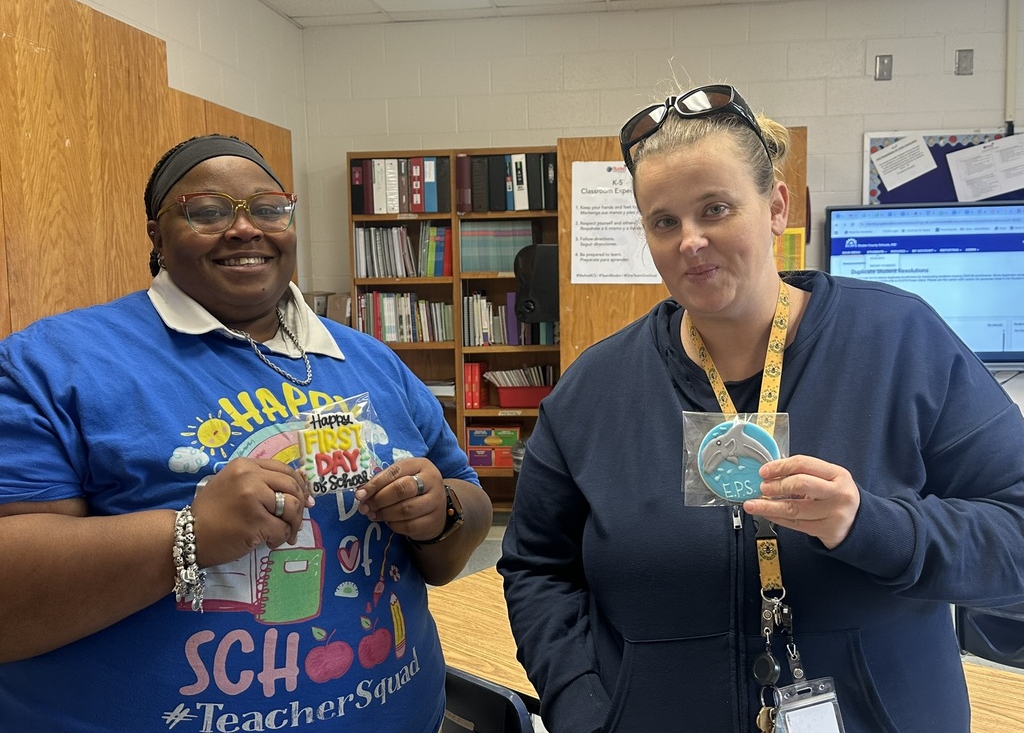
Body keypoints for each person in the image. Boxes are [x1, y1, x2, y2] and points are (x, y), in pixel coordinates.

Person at [498, 84, 1024, 732]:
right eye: (665, 221)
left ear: (775, 206)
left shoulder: (902, 343)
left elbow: (1016, 536)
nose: (690, 240)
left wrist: (872, 524)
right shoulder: (593, 390)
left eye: (715, 209)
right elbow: (536, 568)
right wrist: (579, 704)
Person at [0, 134, 492, 731]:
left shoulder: (368, 359)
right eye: (207, 212)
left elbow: (467, 508)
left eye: (268, 209)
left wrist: (439, 512)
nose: (244, 229)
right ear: (156, 236)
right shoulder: (53, 364)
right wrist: (190, 533)